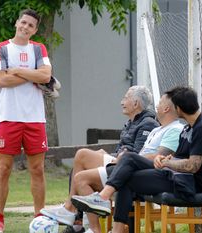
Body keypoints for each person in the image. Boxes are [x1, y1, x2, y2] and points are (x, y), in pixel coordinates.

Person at [71, 87, 202, 233]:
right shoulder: (189, 127)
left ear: (179, 108)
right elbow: (181, 157)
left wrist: (167, 162)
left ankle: (104, 200)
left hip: (188, 183)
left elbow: (192, 166)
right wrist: (165, 159)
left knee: (127, 172)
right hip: (175, 175)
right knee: (129, 162)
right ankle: (109, 213)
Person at [40, 86, 159, 233]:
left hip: (128, 171)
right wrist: (109, 155)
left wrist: (113, 157)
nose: (122, 102)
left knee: (82, 155)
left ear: (136, 104)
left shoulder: (147, 123)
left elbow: (137, 156)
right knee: (78, 175)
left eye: (126, 98)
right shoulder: (131, 122)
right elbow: (123, 150)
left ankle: (70, 210)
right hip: (119, 164)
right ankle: (92, 228)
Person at [0, 9, 52, 233]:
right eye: (23, 22)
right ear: (17, 23)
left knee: (37, 170)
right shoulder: (1, 48)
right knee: (4, 168)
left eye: (31, 26)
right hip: (8, 116)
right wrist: (31, 73)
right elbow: (1, 81)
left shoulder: (38, 48)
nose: (25, 27)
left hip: (35, 118)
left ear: (35, 30)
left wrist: (16, 70)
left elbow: (45, 77)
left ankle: (40, 219)